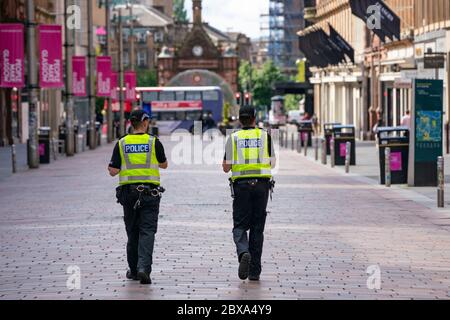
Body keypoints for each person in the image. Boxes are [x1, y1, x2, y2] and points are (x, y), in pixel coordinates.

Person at [108, 110, 168, 285]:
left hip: (129, 194)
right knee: (147, 231)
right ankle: (144, 268)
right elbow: (164, 164)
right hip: (150, 193)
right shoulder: (153, 141)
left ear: (130, 123)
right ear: (145, 121)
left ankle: (133, 271)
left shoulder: (122, 143)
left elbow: (113, 171)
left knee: (132, 231)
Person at [222, 106, 276, 281]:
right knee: (257, 227)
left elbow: (226, 167)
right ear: (254, 118)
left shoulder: (234, 138)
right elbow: (273, 163)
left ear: (240, 119)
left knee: (239, 225)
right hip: (262, 186)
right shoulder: (264, 136)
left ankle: (243, 251)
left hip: (241, 187)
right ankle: (254, 271)